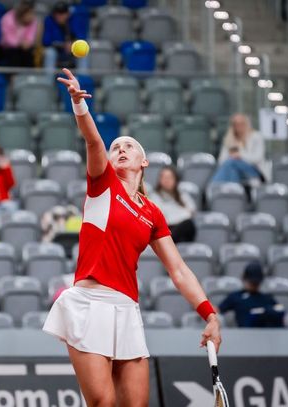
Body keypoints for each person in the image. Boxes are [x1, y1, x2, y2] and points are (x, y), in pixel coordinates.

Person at [42, 68, 221, 407]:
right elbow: (93, 141)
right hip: (89, 304)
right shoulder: (103, 184)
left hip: (126, 308)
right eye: (116, 148)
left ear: (144, 162)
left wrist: (210, 314)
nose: (121, 149)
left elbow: (178, 270)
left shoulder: (153, 212)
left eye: (129, 147)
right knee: (103, 402)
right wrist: (80, 105)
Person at [218, 261, 284, 328]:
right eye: (251, 282)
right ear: (243, 278)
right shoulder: (236, 296)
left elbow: (279, 311)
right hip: (243, 331)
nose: (254, 285)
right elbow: (218, 310)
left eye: (256, 283)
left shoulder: (267, 298)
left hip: (265, 332)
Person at [211, 113, 266, 185]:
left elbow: (257, 158)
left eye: (241, 123)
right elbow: (221, 161)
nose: (239, 126)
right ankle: (233, 191)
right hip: (236, 169)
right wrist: (232, 157)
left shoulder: (256, 136)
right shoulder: (229, 139)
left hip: (254, 170)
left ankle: (213, 186)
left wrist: (240, 155)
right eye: (236, 124)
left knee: (232, 162)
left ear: (247, 124)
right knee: (233, 169)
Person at [149, 166, 197, 243]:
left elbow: (192, 210)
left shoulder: (181, 194)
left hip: (182, 229)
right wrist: (181, 215)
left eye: (169, 177)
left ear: (175, 179)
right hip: (166, 231)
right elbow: (161, 218)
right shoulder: (154, 196)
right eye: (163, 177)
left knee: (189, 225)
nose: (166, 180)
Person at [42, 2, 87, 73]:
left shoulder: (74, 20)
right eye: (57, 13)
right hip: (57, 50)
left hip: (72, 50)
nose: (59, 16)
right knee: (49, 53)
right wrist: (62, 45)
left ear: (68, 14)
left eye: (62, 13)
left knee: (82, 52)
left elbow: (82, 37)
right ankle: (48, 79)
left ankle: (82, 78)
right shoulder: (49, 20)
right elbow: (46, 41)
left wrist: (72, 44)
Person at [0, 0, 41, 67]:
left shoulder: (32, 20)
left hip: (24, 48)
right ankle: (13, 73)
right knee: (14, 55)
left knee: (29, 56)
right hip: (7, 47)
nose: (31, 16)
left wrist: (28, 43)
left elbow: (31, 37)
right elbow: (7, 38)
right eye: (29, 14)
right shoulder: (7, 18)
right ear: (22, 14)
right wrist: (19, 43)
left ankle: (29, 73)